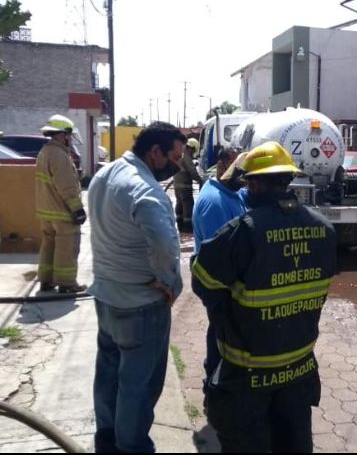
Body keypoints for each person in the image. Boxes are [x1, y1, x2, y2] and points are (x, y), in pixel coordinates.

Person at [192, 141, 337, 452]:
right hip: (299, 368)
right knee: (293, 443)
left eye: (249, 182)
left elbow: (203, 283)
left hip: (248, 375)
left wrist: (228, 312)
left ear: (255, 183)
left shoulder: (243, 230)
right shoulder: (324, 228)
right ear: (288, 180)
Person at [88, 122, 186, 453]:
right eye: (174, 157)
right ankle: (131, 447)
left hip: (106, 297)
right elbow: (164, 245)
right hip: (141, 305)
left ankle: (107, 439)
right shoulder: (145, 189)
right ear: (154, 152)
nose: (177, 164)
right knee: (138, 387)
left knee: (109, 375)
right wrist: (168, 281)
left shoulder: (105, 175)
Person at [191, 147, 247, 388]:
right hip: (217, 282)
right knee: (221, 335)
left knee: (221, 331)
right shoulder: (215, 202)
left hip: (221, 279)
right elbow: (223, 257)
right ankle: (215, 386)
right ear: (223, 166)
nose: (243, 177)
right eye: (239, 170)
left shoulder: (230, 192)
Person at [35, 114, 87, 294]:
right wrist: (77, 209)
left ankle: (46, 281)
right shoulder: (59, 155)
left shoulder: (45, 152)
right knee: (67, 247)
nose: (70, 139)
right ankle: (66, 284)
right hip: (62, 212)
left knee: (48, 246)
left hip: (46, 211)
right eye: (69, 135)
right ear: (63, 135)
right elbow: (66, 186)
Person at [174, 137, 203, 232]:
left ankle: (180, 227)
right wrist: (200, 180)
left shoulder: (180, 156)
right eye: (193, 150)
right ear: (191, 148)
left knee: (179, 203)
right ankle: (188, 229)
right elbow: (192, 172)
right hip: (185, 186)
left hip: (177, 186)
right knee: (188, 205)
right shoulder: (186, 156)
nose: (193, 152)